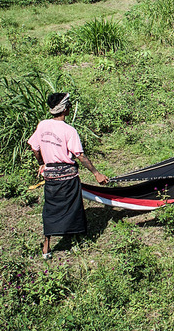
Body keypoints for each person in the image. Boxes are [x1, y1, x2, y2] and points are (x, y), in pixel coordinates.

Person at [30, 93, 108, 259]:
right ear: (65, 109)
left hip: (50, 176)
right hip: (68, 177)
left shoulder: (42, 125)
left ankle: (46, 246)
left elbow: (35, 148)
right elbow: (80, 155)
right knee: (73, 207)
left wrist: (42, 163)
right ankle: (77, 238)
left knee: (50, 208)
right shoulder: (69, 130)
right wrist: (96, 173)